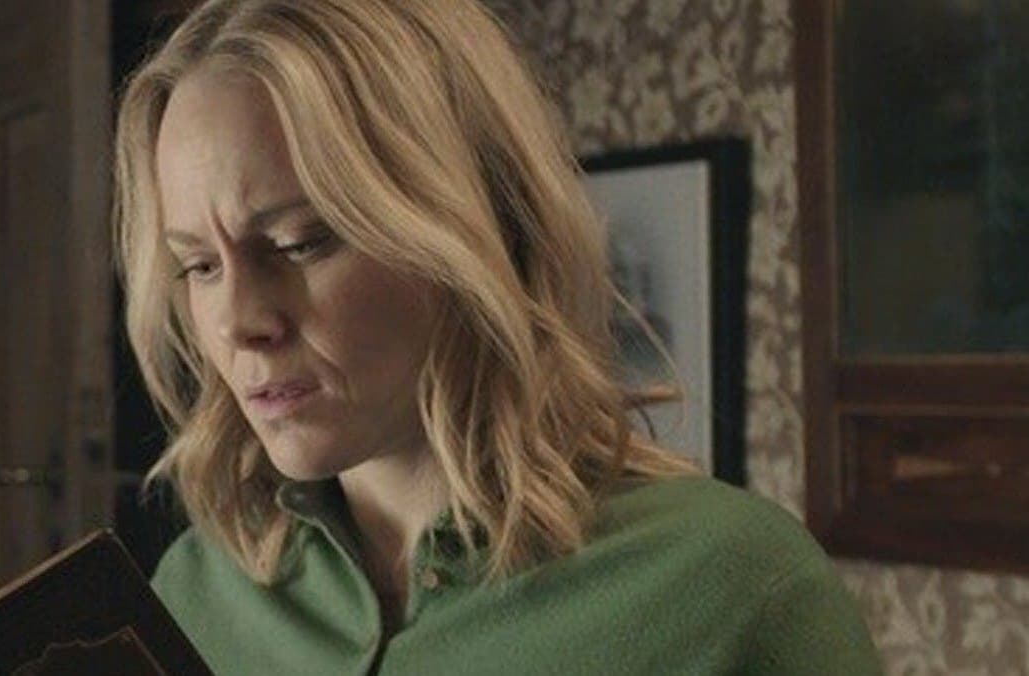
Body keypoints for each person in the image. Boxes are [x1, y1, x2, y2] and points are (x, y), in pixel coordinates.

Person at [113, 0, 882, 673]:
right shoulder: (189, 595)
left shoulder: (739, 589)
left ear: (473, 226)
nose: (239, 323)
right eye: (199, 265)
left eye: (300, 243)